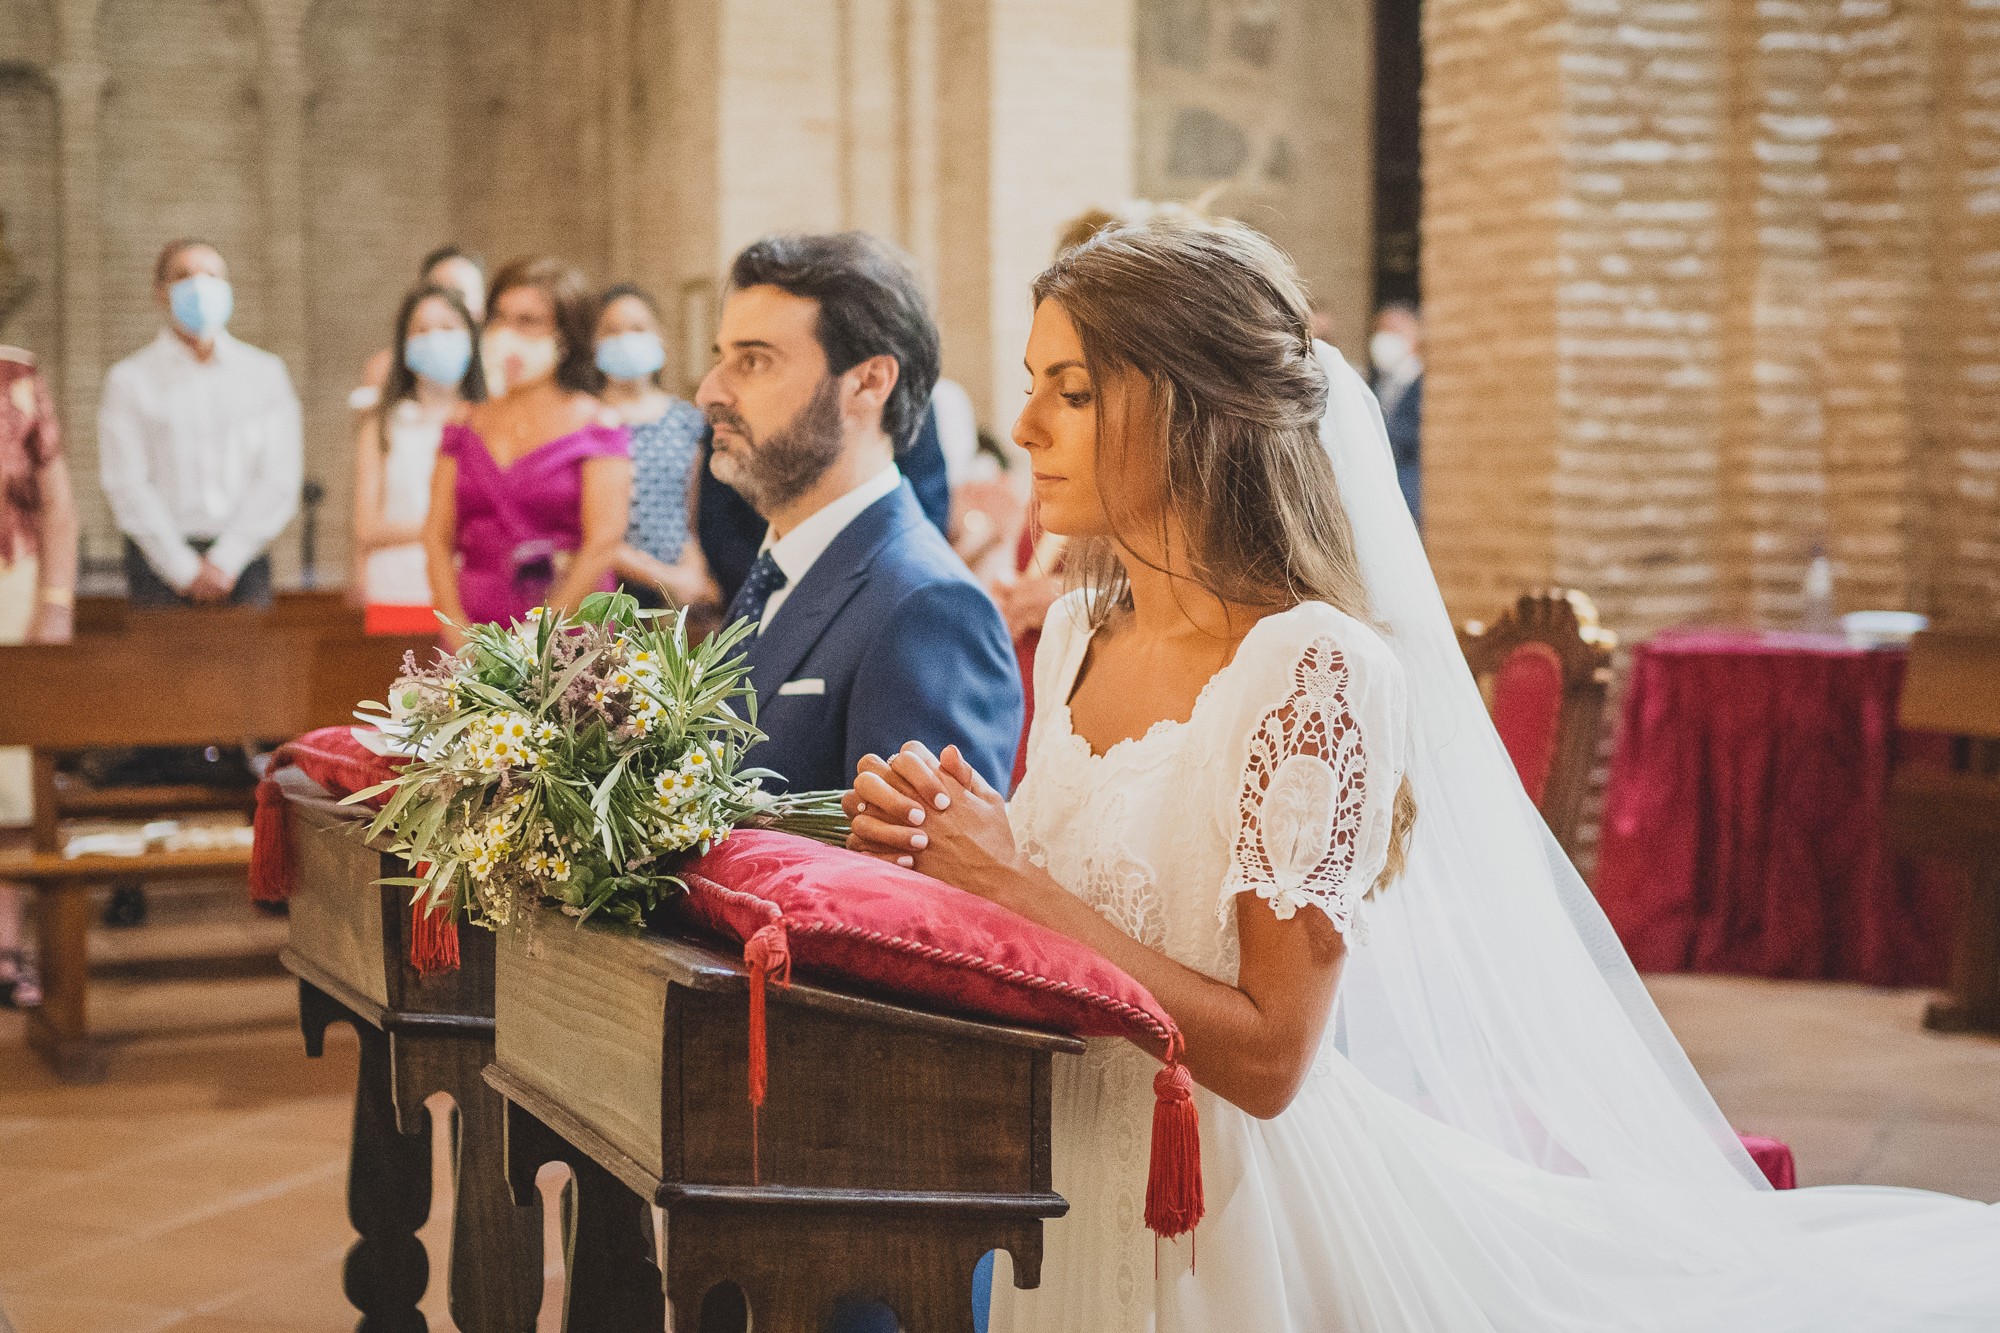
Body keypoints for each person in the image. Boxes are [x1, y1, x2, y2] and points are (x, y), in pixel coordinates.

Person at [845, 219, 2000, 1331]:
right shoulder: (1082, 636)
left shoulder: (1312, 668)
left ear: (1190, 409)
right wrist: (949, 845)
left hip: (1225, 1209)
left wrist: (1009, 887)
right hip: (1070, 1174)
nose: (1027, 423)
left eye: (1074, 389)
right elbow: (1078, 925)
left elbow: (1268, 1055)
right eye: (1037, 382)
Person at [694, 231, 1021, 794]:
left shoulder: (929, 607)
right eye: (720, 359)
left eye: (753, 361)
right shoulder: (777, 567)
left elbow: (912, 879)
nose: (709, 392)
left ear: (869, 382)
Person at [423, 256, 630, 646]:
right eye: (500, 318)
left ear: (566, 336)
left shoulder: (597, 427)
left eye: (528, 321)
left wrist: (537, 638)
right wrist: (453, 625)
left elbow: (603, 541)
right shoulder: (465, 424)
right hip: (473, 629)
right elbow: (436, 534)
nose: (507, 334)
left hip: (567, 632)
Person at [100, 238, 303, 607]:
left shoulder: (265, 373)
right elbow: (126, 484)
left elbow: (279, 478)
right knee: (157, 666)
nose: (200, 286)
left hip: (243, 563)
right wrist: (182, 568)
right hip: (159, 567)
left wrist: (228, 559)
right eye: (184, 276)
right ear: (161, 292)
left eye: (212, 275)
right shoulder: (130, 379)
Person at [0, 342, 77, 1007]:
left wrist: (55, 605)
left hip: (11, 591)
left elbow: (57, 504)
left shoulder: (16, 377)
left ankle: (5, 943)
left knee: (12, 786)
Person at [352, 283, 484, 635]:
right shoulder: (384, 422)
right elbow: (367, 527)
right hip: (398, 590)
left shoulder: (489, 422)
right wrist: (445, 529)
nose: (435, 339)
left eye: (447, 327)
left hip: (471, 595)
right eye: (422, 330)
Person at [595, 283, 716, 609]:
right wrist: (662, 577)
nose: (625, 339)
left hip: (676, 591)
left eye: (637, 328)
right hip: (605, 586)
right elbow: (587, 528)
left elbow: (690, 516)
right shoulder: (586, 420)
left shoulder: (686, 420)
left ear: (659, 335)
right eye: (611, 330)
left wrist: (691, 575)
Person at [350, 246, 488, 411]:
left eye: (458, 295)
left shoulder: (497, 366)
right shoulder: (385, 370)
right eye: (438, 290)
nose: (444, 304)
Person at [1369, 301, 1423, 528]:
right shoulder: (1375, 384)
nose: (1386, 338)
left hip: (1411, 486)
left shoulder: (1425, 385)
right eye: (1382, 331)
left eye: (1395, 331)